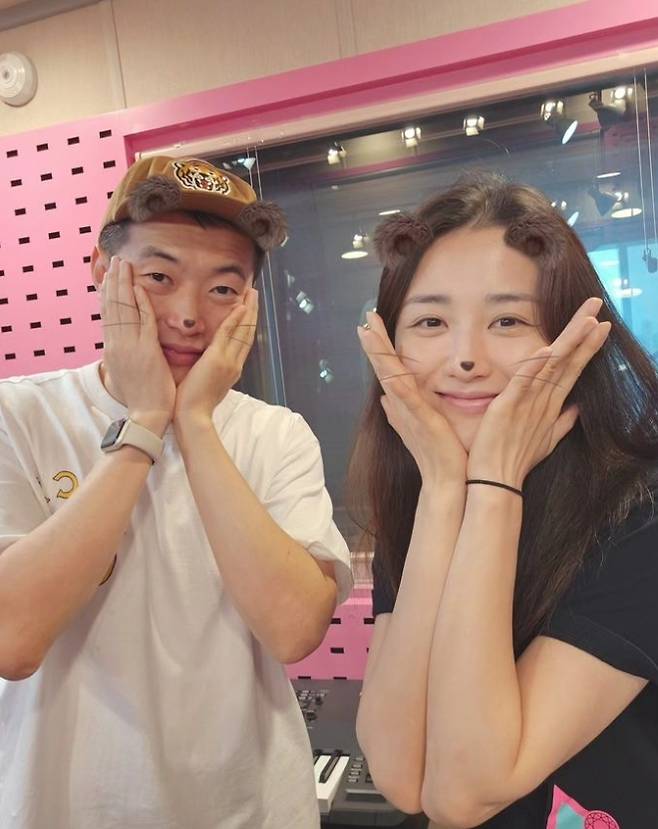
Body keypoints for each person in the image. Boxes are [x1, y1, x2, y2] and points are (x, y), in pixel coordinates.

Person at [0, 155, 352, 829]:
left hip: (250, 809)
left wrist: (194, 423)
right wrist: (144, 422)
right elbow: (12, 638)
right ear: (102, 269)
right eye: (160, 277)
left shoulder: (276, 435)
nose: (190, 316)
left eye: (223, 288)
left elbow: (294, 630)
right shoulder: (19, 416)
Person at [352, 171, 658, 828]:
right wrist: (444, 493)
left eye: (508, 320)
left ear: (574, 338)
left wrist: (494, 485)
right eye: (431, 321)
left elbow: (464, 792)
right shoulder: (420, 500)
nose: (466, 358)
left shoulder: (640, 516)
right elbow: (400, 776)